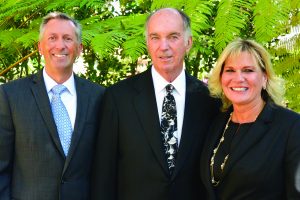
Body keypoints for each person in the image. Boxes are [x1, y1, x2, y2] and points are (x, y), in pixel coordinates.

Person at [90, 8, 220, 200]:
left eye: (173, 37)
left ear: (188, 43)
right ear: (148, 43)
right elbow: (104, 174)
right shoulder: (118, 98)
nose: (163, 46)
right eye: (155, 37)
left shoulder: (210, 100)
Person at [0, 12, 105, 200]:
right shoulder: (10, 96)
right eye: (52, 38)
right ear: (40, 47)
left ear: (79, 48)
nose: (60, 45)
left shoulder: (99, 96)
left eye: (67, 39)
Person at [200, 38, 300, 199]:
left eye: (248, 70)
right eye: (230, 70)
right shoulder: (216, 122)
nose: (238, 78)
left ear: (265, 78)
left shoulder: (292, 127)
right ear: (221, 77)